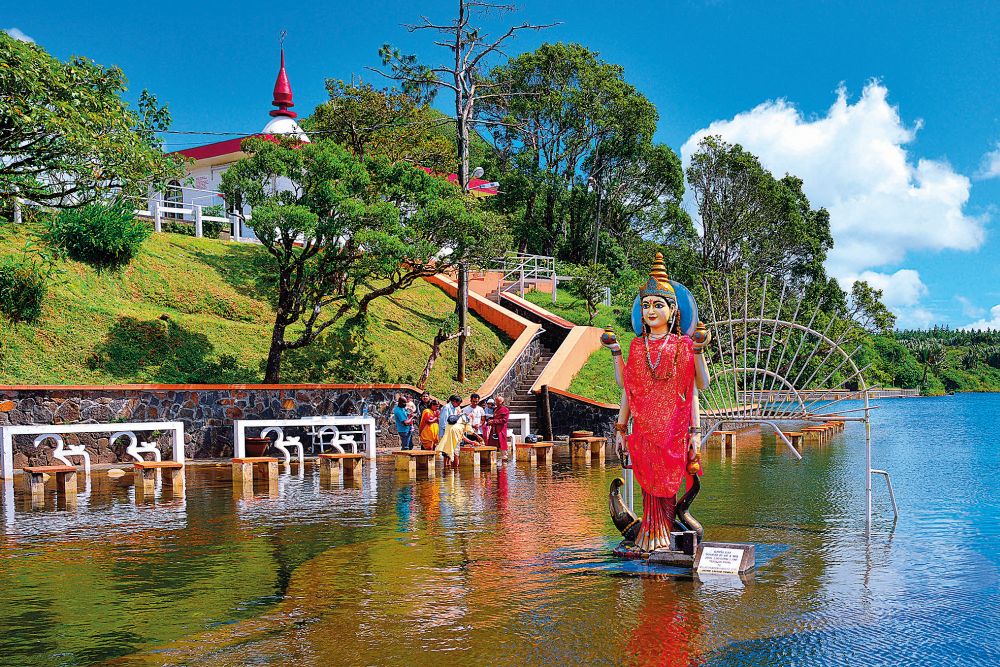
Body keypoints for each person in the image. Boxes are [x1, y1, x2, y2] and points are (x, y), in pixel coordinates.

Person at [603, 253, 711, 553]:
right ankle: (650, 534)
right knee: (648, 481)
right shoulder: (638, 345)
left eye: (658, 305)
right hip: (646, 427)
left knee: (667, 482)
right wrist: (621, 427)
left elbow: (698, 387)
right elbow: (628, 387)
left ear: (674, 310)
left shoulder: (683, 344)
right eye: (647, 305)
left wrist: (695, 433)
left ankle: (663, 533)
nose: (651, 311)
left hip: (674, 429)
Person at [488, 395, 510, 462]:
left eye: (498, 402)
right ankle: (491, 458)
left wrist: (494, 421)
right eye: (496, 401)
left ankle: (504, 457)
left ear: (502, 402)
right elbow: (494, 417)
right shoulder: (495, 409)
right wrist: (490, 421)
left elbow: (504, 420)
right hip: (494, 428)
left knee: (502, 442)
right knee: (492, 442)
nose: (497, 403)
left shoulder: (505, 409)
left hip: (501, 429)